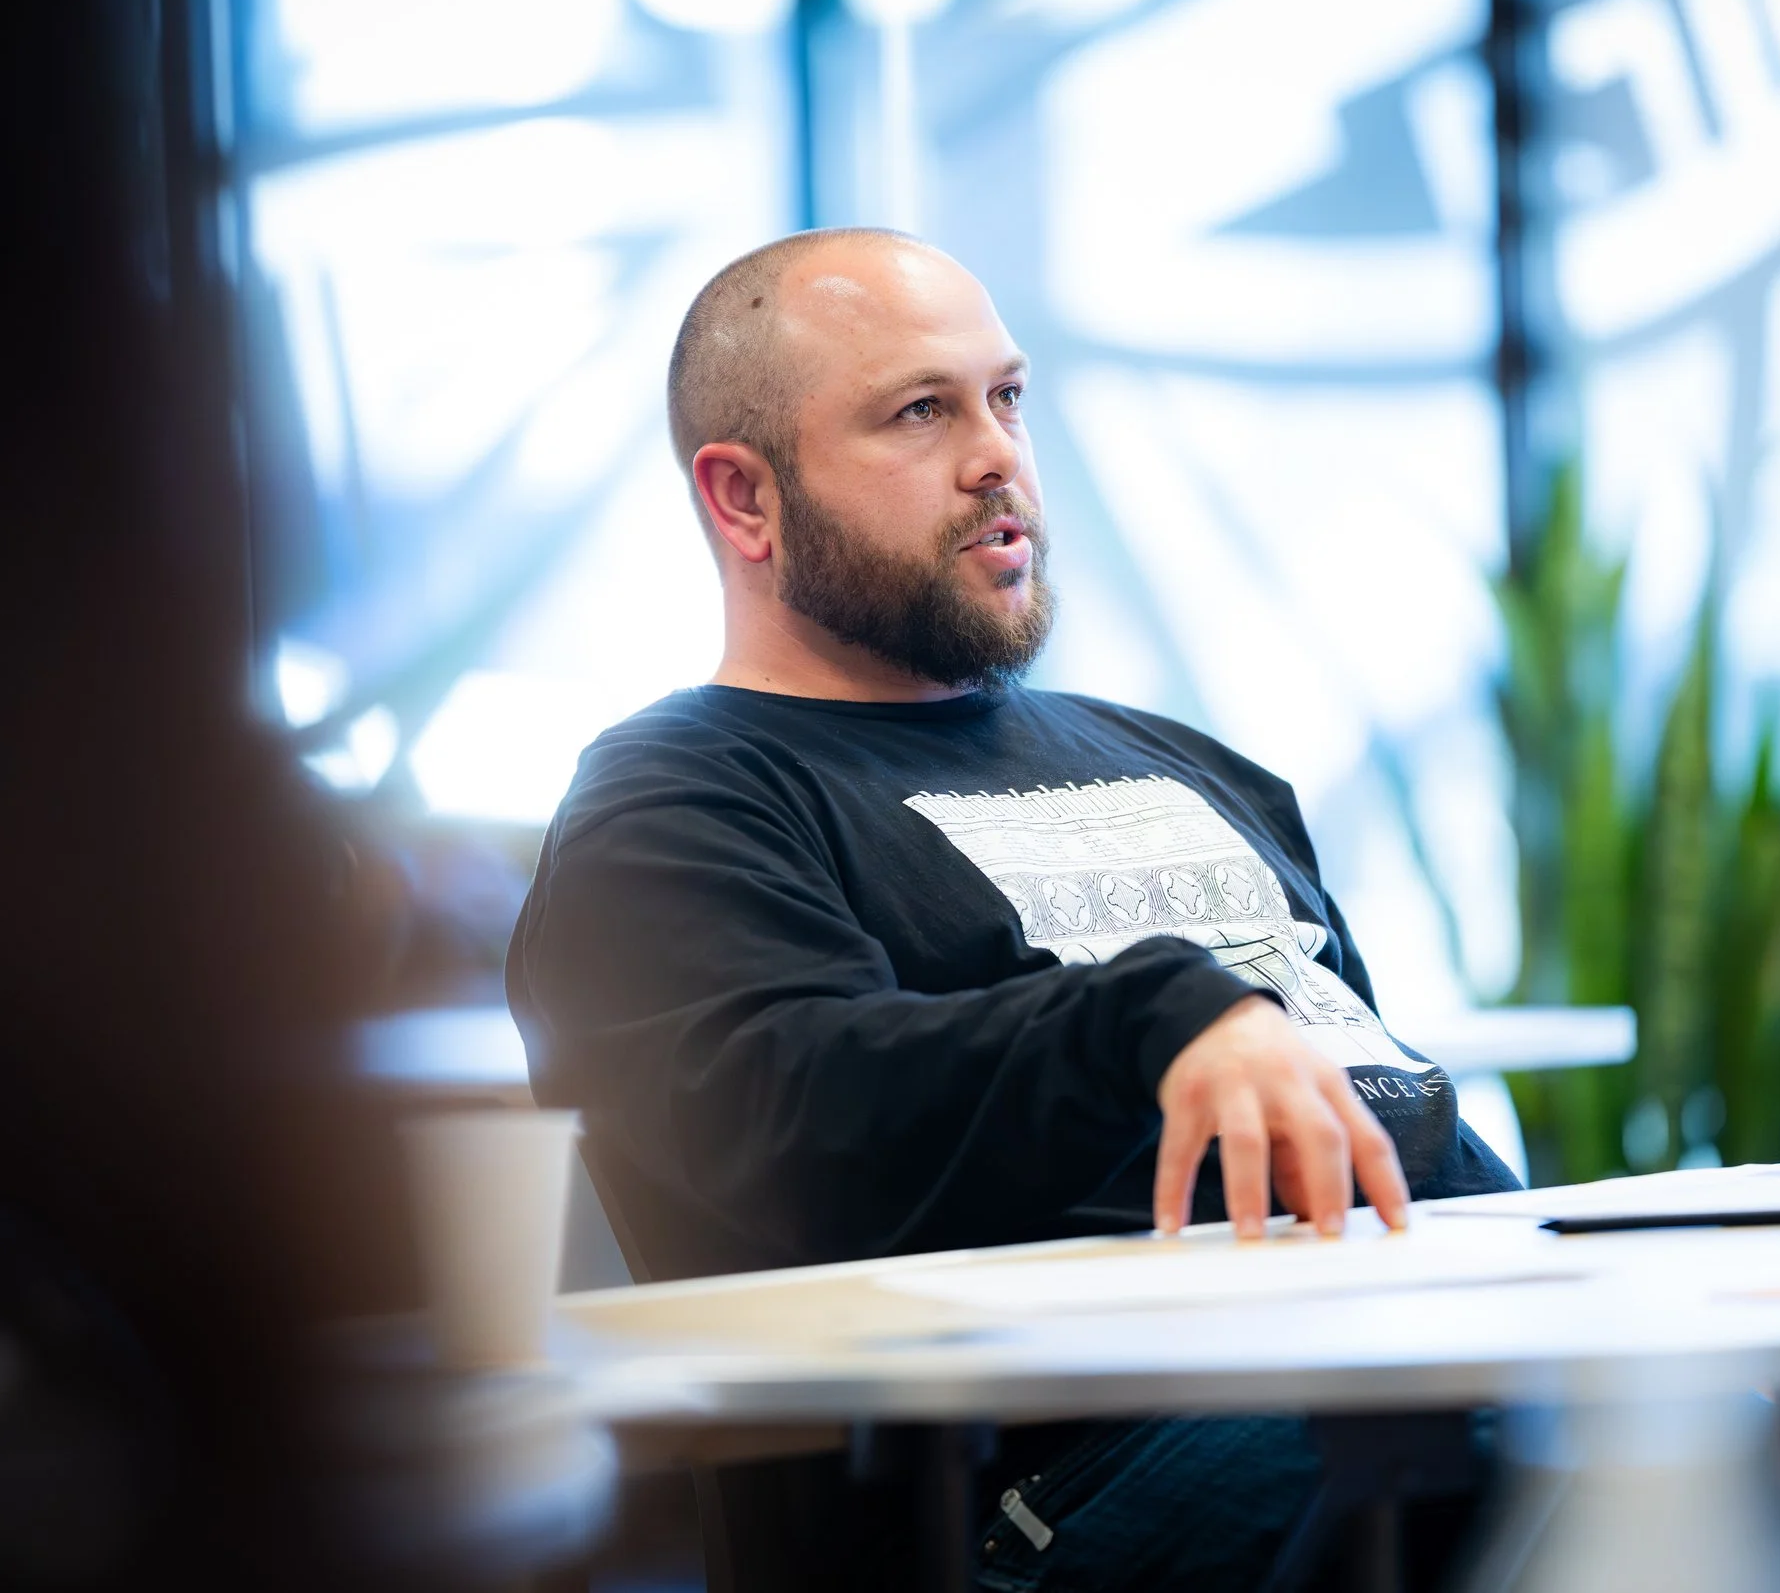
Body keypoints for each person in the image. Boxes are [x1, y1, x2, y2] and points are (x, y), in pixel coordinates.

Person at [507, 228, 1516, 1591]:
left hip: (1425, 1346)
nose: (998, 456)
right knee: (1636, 1501)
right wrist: (1154, 1015)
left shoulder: (1192, 765)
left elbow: (1368, 1100)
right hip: (1053, 1482)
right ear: (745, 500)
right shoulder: (676, 802)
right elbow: (794, 1119)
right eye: (922, 411)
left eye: (1009, 396)